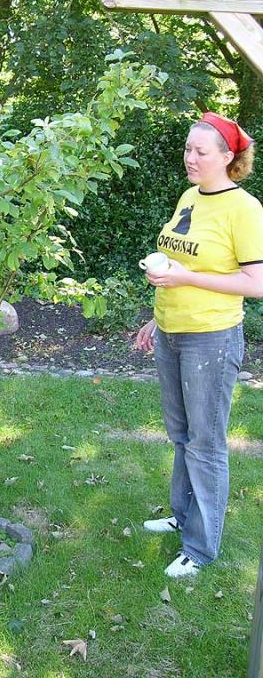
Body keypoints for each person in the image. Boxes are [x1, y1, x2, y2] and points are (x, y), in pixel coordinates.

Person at [135, 111, 263, 578]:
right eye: (188, 148)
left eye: (200, 151)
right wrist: (156, 317)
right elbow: (176, 260)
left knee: (206, 443)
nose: (189, 158)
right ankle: (182, 515)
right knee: (182, 435)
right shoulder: (191, 196)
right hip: (171, 332)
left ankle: (202, 546)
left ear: (228, 158)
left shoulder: (244, 209)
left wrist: (185, 277)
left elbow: (257, 282)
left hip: (211, 338)